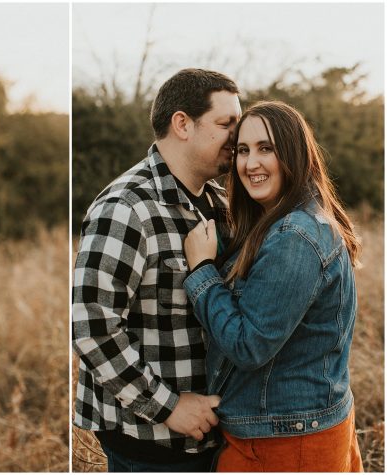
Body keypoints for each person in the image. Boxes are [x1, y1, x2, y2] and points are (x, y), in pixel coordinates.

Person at [72, 68, 242, 472]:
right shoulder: (127, 207)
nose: (237, 137)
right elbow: (91, 325)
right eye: (226, 124)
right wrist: (169, 406)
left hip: (213, 438)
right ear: (182, 124)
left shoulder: (222, 203)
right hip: (149, 443)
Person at [182, 101, 362, 472]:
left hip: (286, 442)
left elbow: (249, 346)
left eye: (266, 149)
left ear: (293, 154)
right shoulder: (284, 221)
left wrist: (201, 271)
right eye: (242, 150)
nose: (250, 163)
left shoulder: (294, 237)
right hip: (294, 428)